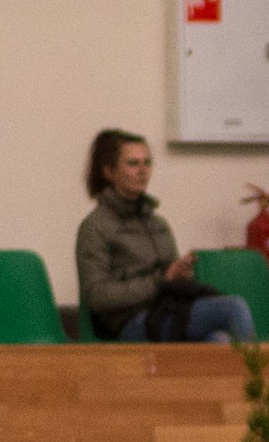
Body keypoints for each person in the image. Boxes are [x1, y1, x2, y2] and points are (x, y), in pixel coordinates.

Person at [73, 129, 256, 343]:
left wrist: (181, 274)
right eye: (133, 164)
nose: (143, 171)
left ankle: (248, 375)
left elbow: (171, 280)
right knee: (233, 307)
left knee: (218, 341)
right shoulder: (95, 227)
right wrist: (160, 281)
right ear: (109, 172)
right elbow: (97, 296)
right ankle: (259, 375)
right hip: (130, 324)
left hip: (168, 312)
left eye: (147, 163)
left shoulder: (158, 224)